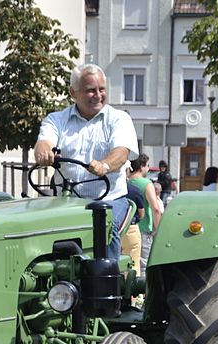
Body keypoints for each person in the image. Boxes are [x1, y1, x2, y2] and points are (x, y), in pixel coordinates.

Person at [34, 63, 139, 260]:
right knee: (40, 227)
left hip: (109, 199)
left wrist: (104, 165)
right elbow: (44, 142)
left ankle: (108, 279)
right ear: (73, 92)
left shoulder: (119, 119)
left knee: (105, 227)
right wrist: (44, 153)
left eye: (101, 89)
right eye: (91, 90)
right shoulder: (57, 119)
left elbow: (121, 152)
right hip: (66, 200)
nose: (98, 95)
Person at [128, 154, 164, 275]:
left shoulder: (126, 182)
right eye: (147, 165)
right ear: (141, 166)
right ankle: (142, 293)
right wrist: (158, 230)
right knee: (143, 266)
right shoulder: (146, 184)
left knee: (129, 264)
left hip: (127, 229)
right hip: (143, 230)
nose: (148, 169)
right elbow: (156, 209)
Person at [121, 174, 146, 269]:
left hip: (110, 229)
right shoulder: (134, 190)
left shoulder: (108, 189)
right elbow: (141, 214)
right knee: (133, 263)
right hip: (130, 228)